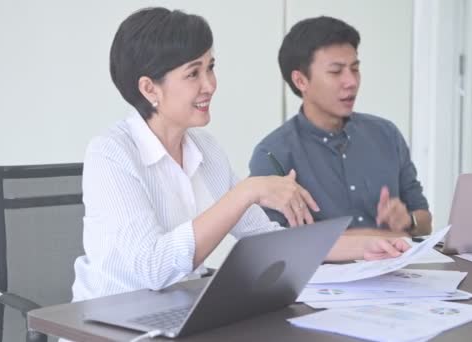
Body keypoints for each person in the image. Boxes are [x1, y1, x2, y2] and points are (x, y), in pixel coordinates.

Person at [71, 7, 410, 302]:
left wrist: (368, 247)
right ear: (149, 88)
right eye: (193, 73)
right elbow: (153, 269)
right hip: (110, 323)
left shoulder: (205, 149)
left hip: (176, 311)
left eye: (211, 67)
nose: (210, 84)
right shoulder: (111, 153)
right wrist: (246, 191)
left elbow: (270, 242)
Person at [249, 16, 432, 237]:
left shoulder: (386, 134)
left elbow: (425, 221)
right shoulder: (273, 154)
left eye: (355, 69)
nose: (351, 82)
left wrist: (408, 220)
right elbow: (273, 243)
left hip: (397, 269)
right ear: (300, 81)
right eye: (336, 72)